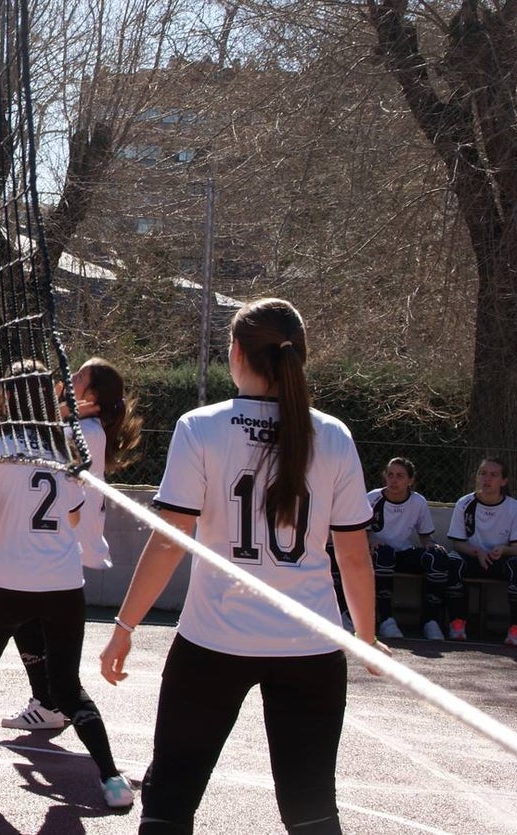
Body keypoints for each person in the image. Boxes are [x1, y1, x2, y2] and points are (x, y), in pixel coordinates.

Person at [100, 298, 382, 834]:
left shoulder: (200, 427)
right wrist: (365, 637)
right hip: (312, 647)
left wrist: (124, 627)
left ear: (235, 353)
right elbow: (353, 557)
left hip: (213, 644)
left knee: (169, 801)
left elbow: (169, 542)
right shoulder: (335, 435)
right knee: (312, 811)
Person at [0, 359, 134, 810]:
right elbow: (75, 514)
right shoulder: (64, 448)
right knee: (68, 685)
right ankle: (112, 778)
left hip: (9, 581)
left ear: (8, 397)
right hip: (64, 583)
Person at [3, 356, 143, 731]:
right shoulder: (80, 426)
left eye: (79, 376)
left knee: (26, 616)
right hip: (58, 542)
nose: (71, 377)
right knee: (29, 619)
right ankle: (50, 700)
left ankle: (53, 703)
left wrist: (53, 405)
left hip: (66, 544)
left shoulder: (86, 432)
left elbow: (39, 442)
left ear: (93, 396)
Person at [365, 457, 453, 641]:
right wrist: (370, 539)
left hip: (404, 553)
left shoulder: (418, 502)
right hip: (377, 554)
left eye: (400, 476)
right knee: (384, 555)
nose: (394, 480)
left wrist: (431, 545)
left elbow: (425, 536)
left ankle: (430, 621)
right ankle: (386, 620)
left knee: (437, 558)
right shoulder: (372, 498)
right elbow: (359, 531)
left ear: (410, 480)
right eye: (390, 475)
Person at [444, 457, 517, 646]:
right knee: (452, 563)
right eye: (483, 473)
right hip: (472, 556)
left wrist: (503, 550)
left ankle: (516, 630)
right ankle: (457, 624)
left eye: (493, 475)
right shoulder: (464, 503)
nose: (487, 479)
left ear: (503, 481)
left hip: (500, 559)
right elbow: (458, 543)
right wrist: (477, 552)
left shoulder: (514, 507)